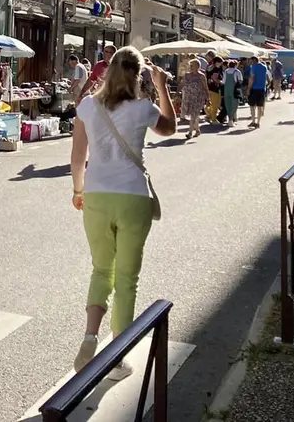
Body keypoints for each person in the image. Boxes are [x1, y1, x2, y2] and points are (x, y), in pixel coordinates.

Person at [70, 47, 177, 379]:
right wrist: (162, 87)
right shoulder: (144, 108)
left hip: (97, 194)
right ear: (138, 76)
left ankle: (90, 336)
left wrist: (78, 190)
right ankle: (116, 356)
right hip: (133, 197)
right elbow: (170, 128)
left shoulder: (87, 106)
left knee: (102, 270)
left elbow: (77, 157)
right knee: (127, 279)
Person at [179, 58, 207, 139]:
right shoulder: (187, 75)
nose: (190, 67)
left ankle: (190, 132)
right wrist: (177, 93)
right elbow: (182, 84)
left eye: (192, 66)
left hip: (198, 97)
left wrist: (208, 98)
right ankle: (197, 130)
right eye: (190, 66)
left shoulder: (201, 76)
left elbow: (205, 87)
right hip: (188, 97)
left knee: (194, 114)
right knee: (194, 114)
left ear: (197, 66)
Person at [246, 57, 269, 129]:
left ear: (254, 60)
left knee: (252, 106)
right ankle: (258, 122)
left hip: (254, 88)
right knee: (260, 106)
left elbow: (252, 78)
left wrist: (248, 88)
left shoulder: (254, 67)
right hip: (262, 88)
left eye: (251, 61)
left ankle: (253, 121)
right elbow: (266, 77)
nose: (250, 63)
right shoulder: (264, 67)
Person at [221, 60, 242, 127]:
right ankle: (231, 120)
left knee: (228, 104)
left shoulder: (226, 71)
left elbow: (223, 82)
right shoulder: (237, 71)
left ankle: (229, 119)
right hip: (234, 90)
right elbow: (240, 80)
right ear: (235, 65)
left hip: (226, 89)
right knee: (234, 104)